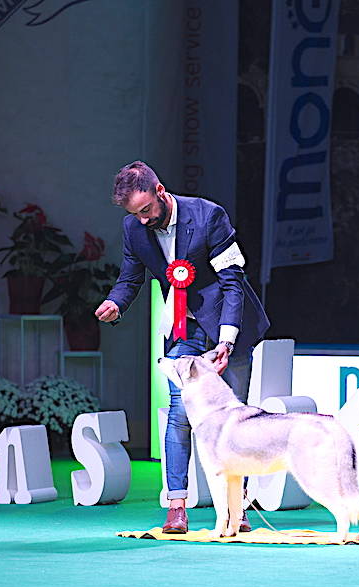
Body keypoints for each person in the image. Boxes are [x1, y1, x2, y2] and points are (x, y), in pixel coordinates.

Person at [96, 161, 269, 534]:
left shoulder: (208, 216)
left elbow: (232, 282)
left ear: (160, 192)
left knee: (234, 420)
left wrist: (227, 339)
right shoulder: (134, 228)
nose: (142, 220)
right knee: (178, 413)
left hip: (228, 323)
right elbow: (130, 278)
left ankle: (236, 510)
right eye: (134, 214)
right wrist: (115, 304)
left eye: (146, 211)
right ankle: (177, 505)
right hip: (183, 326)